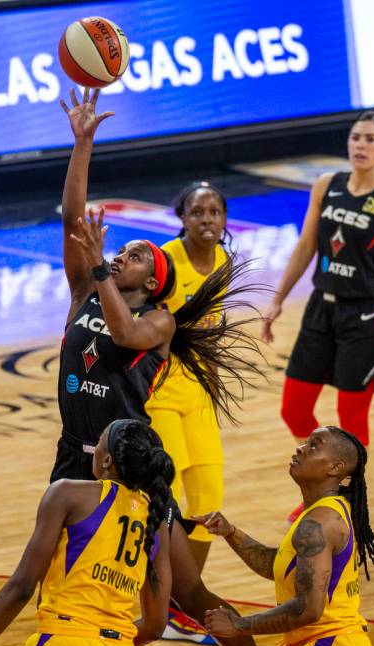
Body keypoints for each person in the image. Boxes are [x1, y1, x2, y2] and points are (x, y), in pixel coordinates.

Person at [52, 87, 260, 646]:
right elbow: (74, 216)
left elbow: (123, 335)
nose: (124, 253)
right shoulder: (84, 291)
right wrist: (82, 144)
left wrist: (100, 267)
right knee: (54, 581)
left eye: (138, 254)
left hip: (132, 467)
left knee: (189, 596)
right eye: (123, 251)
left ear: (152, 283)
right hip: (76, 453)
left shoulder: (159, 323)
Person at [261, 111, 374, 521]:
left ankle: (348, 503)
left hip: (366, 317)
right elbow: (305, 245)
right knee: (293, 409)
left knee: (352, 420)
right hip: (321, 308)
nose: (360, 145)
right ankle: (325, 481)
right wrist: (278, 298)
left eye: (370, 139)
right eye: (355, 138)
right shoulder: (326, 186)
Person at [0, 419, 175, 646]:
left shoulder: (68, 494)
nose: (94, 448)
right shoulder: (156, 521)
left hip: (64, 639)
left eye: (99, 441)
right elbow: (155, 627)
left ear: (107, 460)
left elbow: (22, 588)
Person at [196, 426, 374, 646]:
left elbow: (309, 609)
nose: (300, 448)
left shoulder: (319, 523)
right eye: (306, 442)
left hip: (329, 643)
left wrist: (239, 625)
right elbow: (281, 567)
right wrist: (231, 532)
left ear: (335, 467)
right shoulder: (323, 512)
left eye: (314, 446)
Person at [147, 180, 232, 574]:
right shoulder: (164, 260)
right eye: (197, 212)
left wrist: (213, 387)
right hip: (159, 391)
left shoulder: (224, 263)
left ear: (224, 218)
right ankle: (155, 591)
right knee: (167, 498)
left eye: (214, 212)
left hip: (197, 391)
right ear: (182, 217)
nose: (206, 220)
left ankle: (185, 598)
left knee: (208, 498)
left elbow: (212, 330)